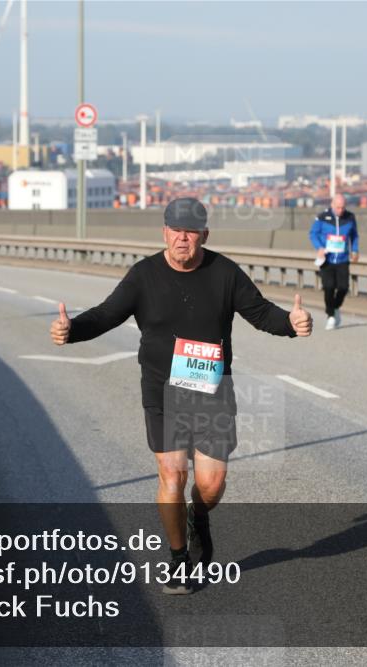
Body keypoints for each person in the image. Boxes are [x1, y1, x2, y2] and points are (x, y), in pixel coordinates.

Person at [50, 197, 312, 594]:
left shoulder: (224, 273)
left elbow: (260, 314)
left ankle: (198, 515)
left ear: (204, 235)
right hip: (161, 390)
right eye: (176, 230)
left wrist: (292, 323)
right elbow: (106, 314)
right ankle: (177, 561)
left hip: (211, 391)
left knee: (211, 484)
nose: (182, 238)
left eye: (191, 231)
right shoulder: (144, 276)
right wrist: (72, 330)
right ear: (164, 232)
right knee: (172, 472)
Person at [308, 194, 359, 330]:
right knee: (329, 287)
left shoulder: (350, 217)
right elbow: (313, 234)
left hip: (342, 259)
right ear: (332, 205)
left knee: (343, 288)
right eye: (338, 207)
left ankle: (335, 308)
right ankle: (330, 315)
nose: (340, 210)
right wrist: (319, 247)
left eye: (343, 207)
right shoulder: (322, 217)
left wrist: (355, 250)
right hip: (327, 259)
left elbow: (354, 235)